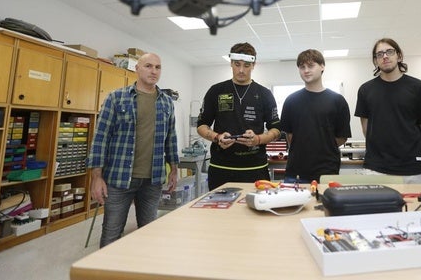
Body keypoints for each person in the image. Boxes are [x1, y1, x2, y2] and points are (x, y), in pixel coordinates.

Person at [88, 53, 179, 248]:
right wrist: (96, 176)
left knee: (148, 234)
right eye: (148, 66)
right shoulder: (116, 98)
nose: (153, 71)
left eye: (158, 67)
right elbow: (100, 138)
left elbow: (171, 138)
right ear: (137, 69)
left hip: (152, 180)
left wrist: (174, 169)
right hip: (119, 179)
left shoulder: (166, 103)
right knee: (111, 235)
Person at [197, 43, 281, 190]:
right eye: (237, 64)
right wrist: (217, 137)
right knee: (220, 212)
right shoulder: (216, 91)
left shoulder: (265, 94)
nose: (241, 70)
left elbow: (276, 130)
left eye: (247, 65)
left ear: (254, 64)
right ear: (231, 63)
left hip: (255, 168)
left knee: (257, 210)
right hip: (221, 168)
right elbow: (201, 125)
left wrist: (258, 139)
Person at [354, 38, 421, 183]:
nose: (385, 56)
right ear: (375, 61)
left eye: (389, 52)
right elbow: (366, 127)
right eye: (379, 54)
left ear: (399, 56)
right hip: (376, 168)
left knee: (414, 206)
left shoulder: (418, 87)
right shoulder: (365, 90)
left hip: (413, 168)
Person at [281, 49, 352, 183]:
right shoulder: (291, 101)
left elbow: (342, 137)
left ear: (322, 66)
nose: (306, 70)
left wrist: (321, 145)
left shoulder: (337, 101)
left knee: (325, 204)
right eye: (302, 67)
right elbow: (289, 136)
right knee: (292, 204)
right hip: (296, 171)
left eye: (311, 65)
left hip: (327, 171)